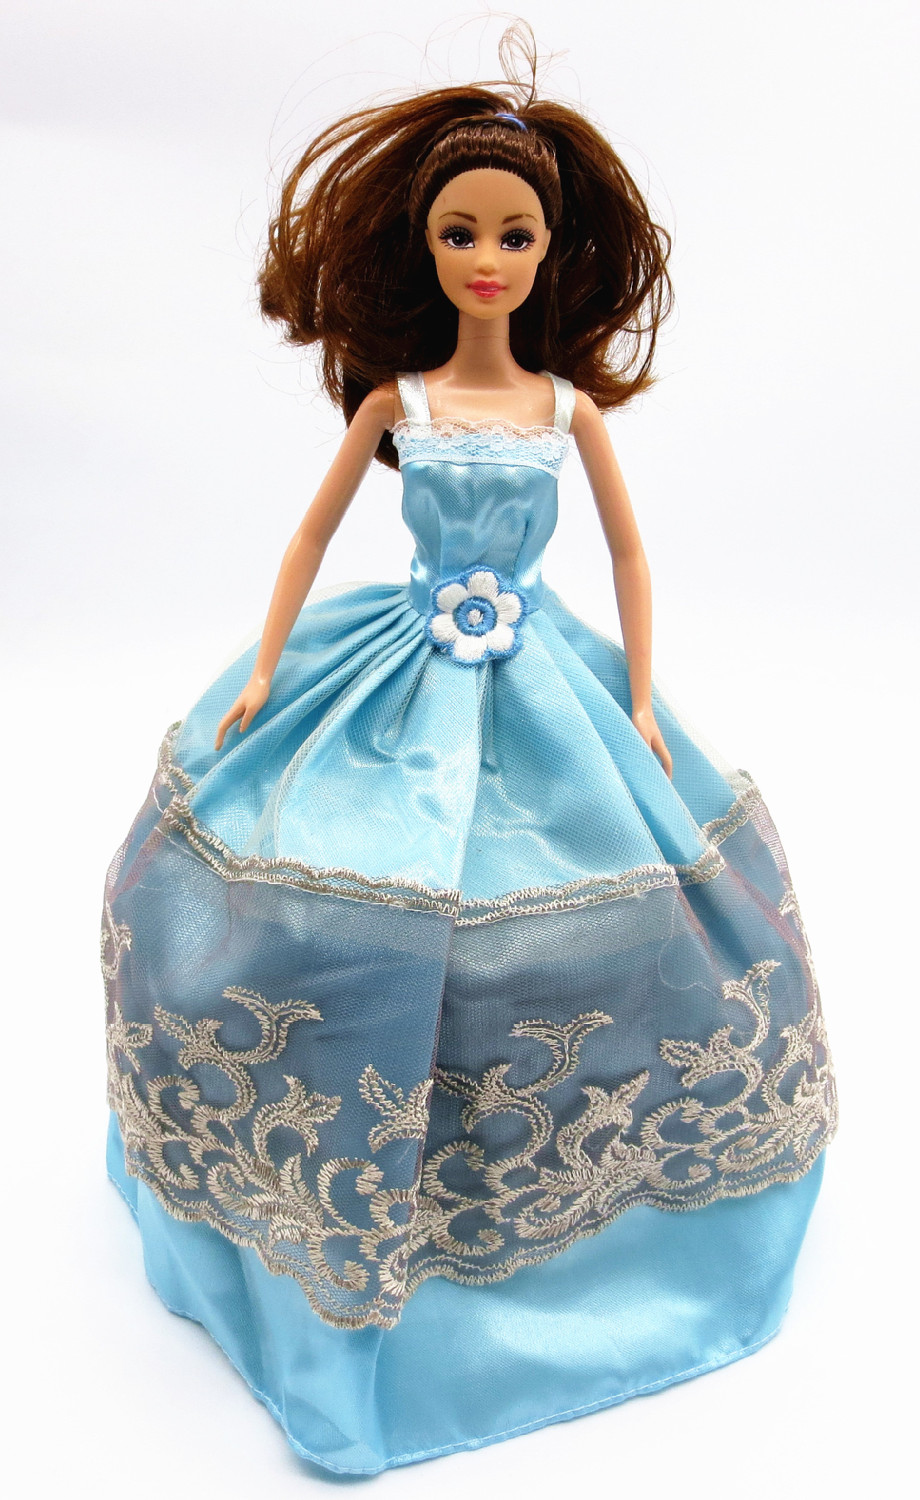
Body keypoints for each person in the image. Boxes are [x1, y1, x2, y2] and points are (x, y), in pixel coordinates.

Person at [103, 27, 837, 1476]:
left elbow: (627, 549)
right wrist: (267, 667)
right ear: (423, 247)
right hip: (396, 677)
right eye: (460, 233)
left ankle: (597, 1229)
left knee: (626, 907)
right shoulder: (405, 401)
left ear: (551, 251)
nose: (486, 259)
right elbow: (312, 532)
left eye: (512, 234)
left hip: (545, 682)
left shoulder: (565, 409)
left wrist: (640, 699)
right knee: (311, 885)